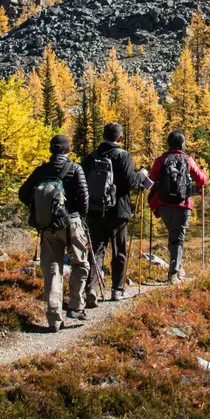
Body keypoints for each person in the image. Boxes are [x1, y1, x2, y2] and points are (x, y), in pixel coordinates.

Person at [17, 134, 90, 331]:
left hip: (48, 227)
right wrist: (79, 216)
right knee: (80, 263)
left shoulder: (41, 170)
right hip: (72, 222)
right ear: (68, 150)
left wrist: (38, 208)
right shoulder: (75, 168)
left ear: (51, 150)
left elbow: (23, 193)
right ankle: (76, 305)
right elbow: (84, 197)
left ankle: (53, 316)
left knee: (52, 269)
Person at [81, 122, 150, 307]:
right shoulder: (123, 156)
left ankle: (91, 289)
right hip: (118, 211)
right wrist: (142, 174)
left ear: (104, 136)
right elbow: (130, 183)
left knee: (95, 250)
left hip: (95, 210)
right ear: (120, 138)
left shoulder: (91, 157)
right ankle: (117, 290)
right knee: (119, 251)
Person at [150, 130, 208, 283]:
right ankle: (174, 272)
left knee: (173, 235)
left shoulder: (161, 160)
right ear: (183, 144)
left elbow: (151, 179)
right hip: (183, 205)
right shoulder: (187, 160)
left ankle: (177, 268)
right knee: (178, 237)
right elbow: (201, 180)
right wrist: (203, 171)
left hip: (163, 205)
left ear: (168, 144)